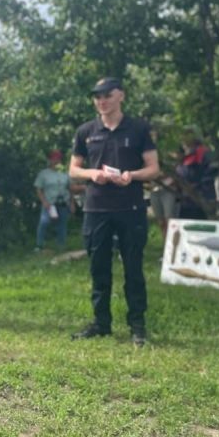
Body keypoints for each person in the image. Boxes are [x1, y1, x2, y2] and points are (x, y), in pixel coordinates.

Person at [69, 77, 160, 347]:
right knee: (99, 268)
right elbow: (73, 169)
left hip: (130, 208)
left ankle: (137, 325)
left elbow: (154, 168)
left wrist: (132, 175)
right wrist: (92, 173)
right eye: (97, 96)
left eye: (107, 95)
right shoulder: (86, 131)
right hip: (96, 208)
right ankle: (101, 323)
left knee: (133, 267)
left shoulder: (139, 128)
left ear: (121, 95)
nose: (101, 101)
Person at [34, 149, 71, 250]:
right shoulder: (44, 174)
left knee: (62, 225)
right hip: (49, 203)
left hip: (63, 202)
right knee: (44, 222)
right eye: (54, 159)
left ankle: (61, 245)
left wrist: (72, 203)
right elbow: (39, 189)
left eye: (58, 159)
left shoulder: (64, 173)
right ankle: (39, 245)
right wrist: (44, 201)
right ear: (50, 160)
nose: (56, 161)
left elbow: (69, 188)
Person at [176, 132, 218, 220]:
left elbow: (210, 173)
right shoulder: (184, 156)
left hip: (202, 198)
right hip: (186, 200)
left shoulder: (204, 153)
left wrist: (197, 187)